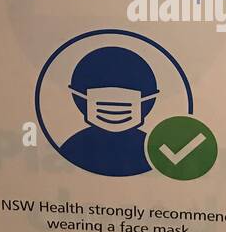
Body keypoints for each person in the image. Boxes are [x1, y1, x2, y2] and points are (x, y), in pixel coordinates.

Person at [59, 47, 159, 177]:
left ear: (149, 99)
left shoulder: (151, 149)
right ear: (79, 97)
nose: (114, 106)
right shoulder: (75, 147)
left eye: (126, 96)